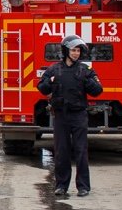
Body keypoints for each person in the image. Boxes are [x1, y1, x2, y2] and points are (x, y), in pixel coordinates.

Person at [37, 34, 103, 197]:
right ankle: (61, 186)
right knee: (61, 151)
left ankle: (83, 187)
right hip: (60, 116)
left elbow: (98, 90)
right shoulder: (54, 69)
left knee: (81, 151)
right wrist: (50, 82)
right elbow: (42, 88)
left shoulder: (84, 70)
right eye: (73, 50)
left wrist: (87, 81)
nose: (76, 53)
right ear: (66, 50)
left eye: (78, 51)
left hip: (78, 115)